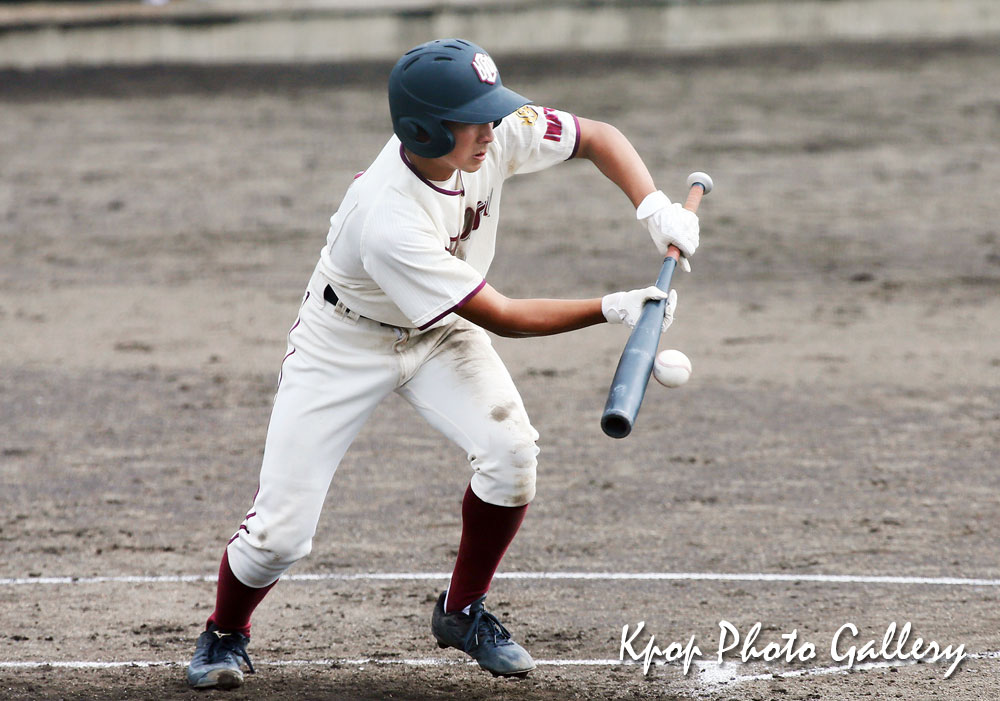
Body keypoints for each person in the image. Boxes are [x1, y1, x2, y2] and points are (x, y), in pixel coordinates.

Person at [185, 37, 699, 689]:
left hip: (440, 331)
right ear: (425, 129)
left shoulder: (495, 133)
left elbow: (597, 136)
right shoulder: (388, 216)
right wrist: (614, 306)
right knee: (280, 537)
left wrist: (653, 207)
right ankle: (225, 631)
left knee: (513, 456)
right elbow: (504, 315)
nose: (492, 128)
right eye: (474, 116)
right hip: (345, 341)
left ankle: (462, 612)